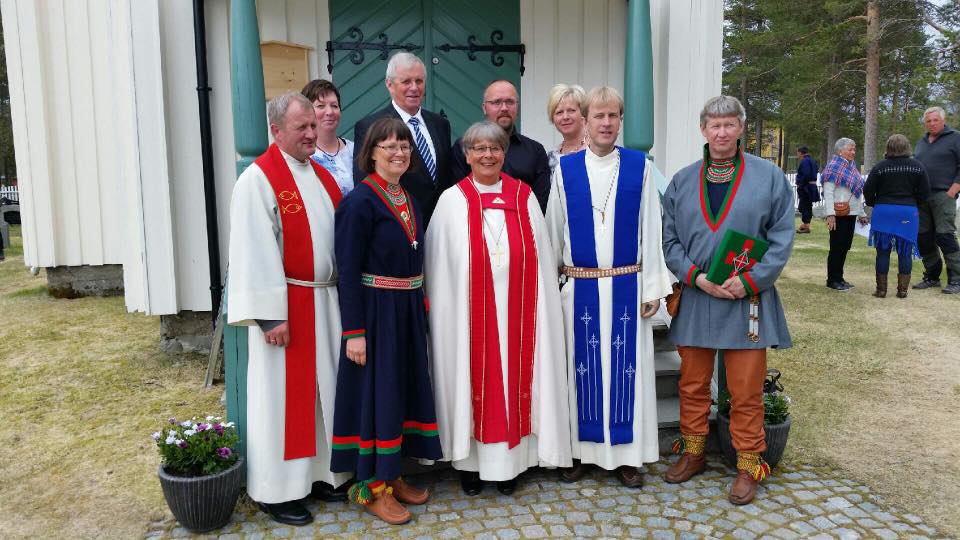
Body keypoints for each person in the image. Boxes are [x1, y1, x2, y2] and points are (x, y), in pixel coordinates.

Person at [426, 121, 572, 497]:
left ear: (504, 154)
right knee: (469, 379)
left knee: (518, 380)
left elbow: (542, 259)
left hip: (521, 317)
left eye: (495, 148)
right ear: (466, 155)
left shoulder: (524, 197)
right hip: (468, 319)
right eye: (479, 149)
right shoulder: (451, 201)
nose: (487, 155)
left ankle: (511, 465)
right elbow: (438, 267)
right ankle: (470, 465)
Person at [661, 95, 794, 506]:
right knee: (693, 383)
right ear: (703, 130)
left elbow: (781, 237)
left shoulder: (769, 177)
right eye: (713, 125)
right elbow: (670, 240)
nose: (721, 132)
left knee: (746, 389)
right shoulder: (683, 181)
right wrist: (695, 277)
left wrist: (751, 280)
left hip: (746, 301)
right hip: (698, 297)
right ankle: (694, 451)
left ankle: (748, 463)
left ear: (740, 128)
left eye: (729, 125)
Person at [226, 92, 351, 526]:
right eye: (302, 128)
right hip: (288, 309)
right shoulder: (258, 180)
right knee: (283, 401)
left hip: (325, 300)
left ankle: (319, 476)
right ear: (276, 131)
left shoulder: (320, 175)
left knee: (324, 395)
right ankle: (277, 491)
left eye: (314, 126)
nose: (313, 134)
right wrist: (269, 315)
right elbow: (252, 250)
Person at [545, 86, 673, 489]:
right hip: (579, 290)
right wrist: (550, 287)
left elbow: (652, 228)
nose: (605, 123)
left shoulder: (640, 166)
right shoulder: (565, 170)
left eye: (613, 116)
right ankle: (580, 452)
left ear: (620, 120)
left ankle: (626, 456)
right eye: (598, 116)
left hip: (626, 286)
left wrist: (652, 286)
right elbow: (553, 230)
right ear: (586, 120)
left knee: (626, 375)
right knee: (579, 373)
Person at [331, 117, 442, 525]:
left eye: (404, 145)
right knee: (378, 396)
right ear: (371, 152)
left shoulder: (407, 196)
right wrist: (354, 332)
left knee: (402, 392)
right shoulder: (360, 202)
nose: (398, 152)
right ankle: (371, 487)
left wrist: (421, 303)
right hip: (377, 314)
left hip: (406, 310)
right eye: (389, 146)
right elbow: (348, 267)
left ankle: (392, 475)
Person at [353, 52, 452, 223]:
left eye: (419, 81)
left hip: (442, 224)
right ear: (389, 85)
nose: (414, 87)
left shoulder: (440, 124)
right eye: (406, 81)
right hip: (398, 224)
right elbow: (365, 182)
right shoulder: (370, 126)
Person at [452, 80, 551, 212]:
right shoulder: (464, 146)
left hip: (522, 225)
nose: (504, 108)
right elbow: (458, 195)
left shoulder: (535, 150)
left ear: (517, 106)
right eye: (496, 102)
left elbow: (541, 203)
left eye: (510, 102)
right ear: (484, 107)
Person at [863, 134, 930, 298]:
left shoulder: (880, 167)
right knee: (905, 251)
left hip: (883, 210)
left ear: (888, 148)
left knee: (883, 251)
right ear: (907, 147)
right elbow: (925, 193)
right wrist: (914, 203)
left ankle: (881, 290)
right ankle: (902, 290)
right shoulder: (917, 166)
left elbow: (868, 191)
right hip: (907, 211)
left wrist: (875, 203)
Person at [913, 106, 960, 294]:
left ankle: (956, 279)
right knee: (923, 237)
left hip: (943, 195)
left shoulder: (956, 137)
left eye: (935, 120)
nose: (932, 124)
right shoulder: (922, 142)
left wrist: (953, 190)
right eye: (928, 121)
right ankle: (932, 276)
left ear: (943, 120)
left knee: (945, 236)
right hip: (922, 197)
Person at [821, 138, 866, 291]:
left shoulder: (851, 167)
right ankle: (832, 280)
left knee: (845, 246)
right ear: (840, 151)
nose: (853, 152)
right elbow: (828, 193)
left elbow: (856, 194)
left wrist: (861, 213)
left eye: (854, 149)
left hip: (851, 213)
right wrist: (830, 215)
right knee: (836, 247)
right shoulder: (833, 167)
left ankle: (839, 277)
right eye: (850, 149)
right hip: (838, 214)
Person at [302, 79, 355, 195]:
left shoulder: (355, 150)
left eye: (334, 106)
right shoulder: (303, 155)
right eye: (321, 106)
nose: (330, 112)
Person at [546, 84, 589, 172]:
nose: (565, 117)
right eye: (559, 112)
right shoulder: (550, 158)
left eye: (571, 110)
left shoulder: (595, 151)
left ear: (584, 113)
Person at [794, 146, 819, 234]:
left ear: (801, 153)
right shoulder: (812, 160)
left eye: (797, 152)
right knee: (807, 206)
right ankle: (806, 224)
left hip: (806, 187)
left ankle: (806, 225)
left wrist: (800, 184)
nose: (797, 154)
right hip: (811, 186)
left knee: (804, 206)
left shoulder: (805, 161)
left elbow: (806, 174)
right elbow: (816, 170)